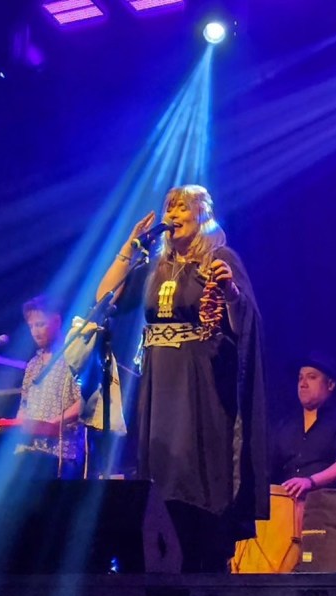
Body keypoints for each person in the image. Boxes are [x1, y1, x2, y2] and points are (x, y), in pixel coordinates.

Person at [96, 185, 268, 572]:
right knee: (161, 469)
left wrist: (230, 292)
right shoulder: (157, 266)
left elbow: (245, 319)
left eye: (182, 208)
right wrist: (130, 247)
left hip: (199, 380)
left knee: (193, 467)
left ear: (201, 215)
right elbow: (104, 296)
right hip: (160, 379)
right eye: (169, 208)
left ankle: (204, 551)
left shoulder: (220, 258)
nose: (172, 215)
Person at [272, 354, 336, 499]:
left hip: (327, 502)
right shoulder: (286, 425)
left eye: (311, 377)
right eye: (300, 378)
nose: (303, 384)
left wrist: (310, 482)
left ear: (330, 385)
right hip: (286, 502)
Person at [15, 295, 84, 480]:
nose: (35, 332)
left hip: (61, 451)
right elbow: (24, 405)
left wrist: (52, 424)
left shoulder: (73, 357)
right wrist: (16, 429)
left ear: (56, 321)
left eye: (40, 324)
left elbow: (86, 401)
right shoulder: (33, 364)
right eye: (31, 326)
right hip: (28, 451)